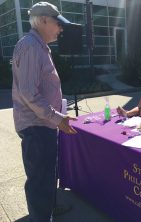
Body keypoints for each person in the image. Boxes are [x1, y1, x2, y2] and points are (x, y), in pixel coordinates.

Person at [11, 2, 77, 222]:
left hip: (43, 125)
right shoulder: (31, 46)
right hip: (37, 126)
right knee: (40, 180)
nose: (60, 29)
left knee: (47, 176)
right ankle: (42, 215)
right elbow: (29, 94)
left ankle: (47, 208)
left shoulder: (39, 47)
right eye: (58, 24)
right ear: (43, 20)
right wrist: (57, 118)